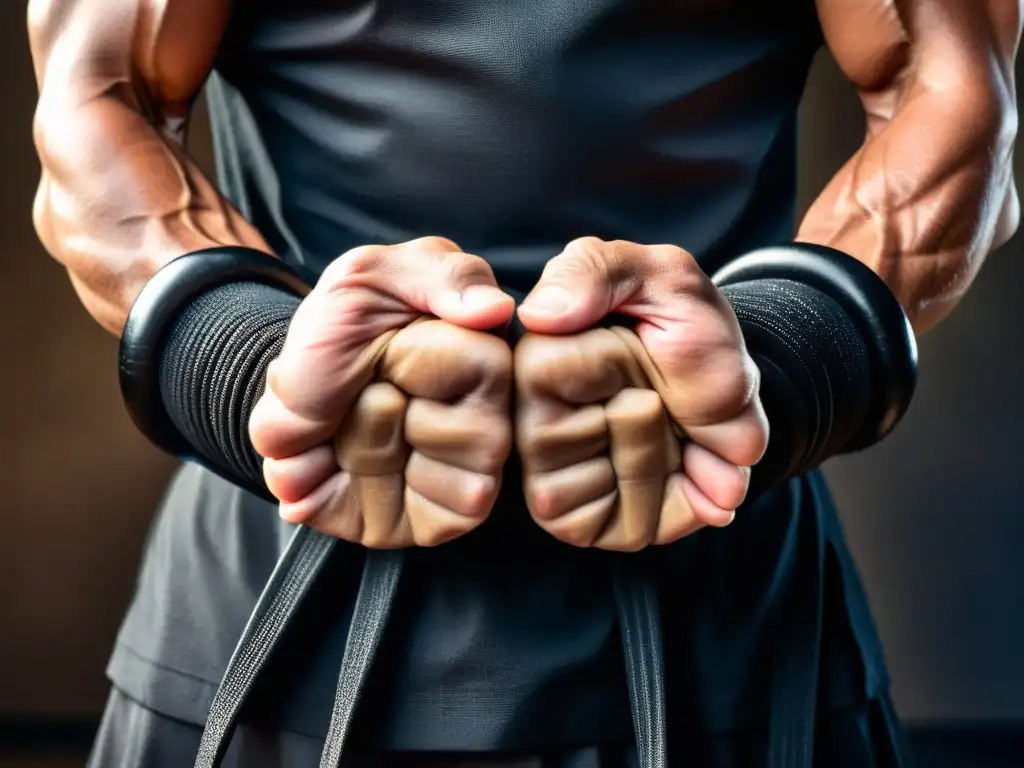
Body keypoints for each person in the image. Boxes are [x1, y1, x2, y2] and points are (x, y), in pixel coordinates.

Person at [27, 0, 1019, 765]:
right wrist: (247, 359)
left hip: (721, 616)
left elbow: (957, 96)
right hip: (281, 608)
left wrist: (773, 358)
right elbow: (93, 99)